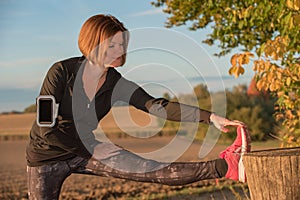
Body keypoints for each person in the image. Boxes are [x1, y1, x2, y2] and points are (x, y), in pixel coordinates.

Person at [26, 14, 250, 200]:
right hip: (46, 156)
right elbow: (46, 129)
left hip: (88, 148)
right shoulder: (60, 72)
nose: (119, 50)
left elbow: (158, 107)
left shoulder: (116, 83)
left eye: (122, 44)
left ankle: (227, 166)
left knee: (153, 169)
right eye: (111, 44)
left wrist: (210, 117)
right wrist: (89, 149)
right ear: (92, 42)